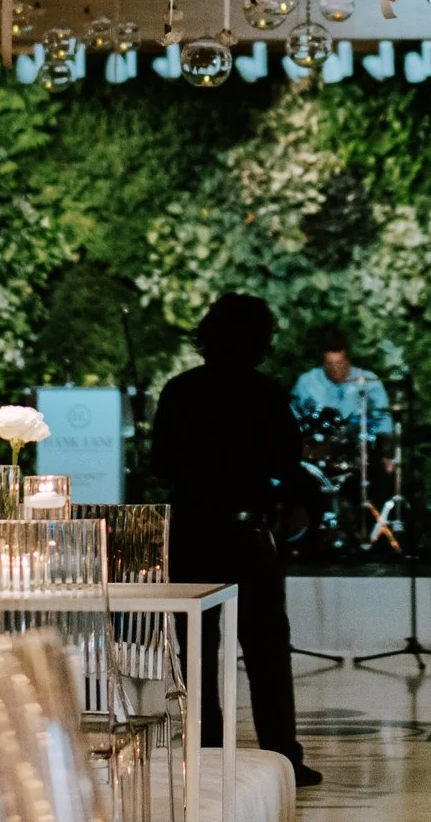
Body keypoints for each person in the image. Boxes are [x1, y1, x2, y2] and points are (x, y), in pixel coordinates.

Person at [151, 293, 320, 788]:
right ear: (258, 340)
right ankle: (283, 754)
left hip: (191, 531)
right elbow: (287, 464)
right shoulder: (264, 392)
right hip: (246, 532)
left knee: (198, 649)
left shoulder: (179, 390)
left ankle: (207, 749)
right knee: (267, 648)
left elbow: (160, 464)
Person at [291, 325, 394, 439]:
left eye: (339, 364)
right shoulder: (307, 382)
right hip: (316, 449)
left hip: (356, 447)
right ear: (323, 363)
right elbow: (291, 417)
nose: (335, 369)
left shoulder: (368, 382)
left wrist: (385, 451)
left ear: (348, 361)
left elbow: (383, 419)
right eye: (330, 365)